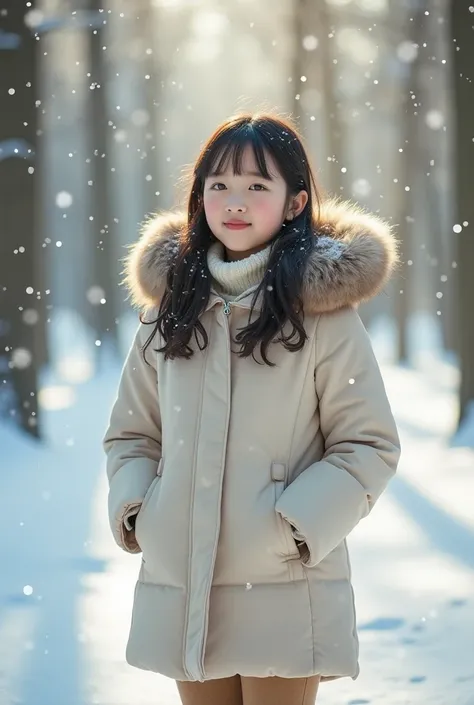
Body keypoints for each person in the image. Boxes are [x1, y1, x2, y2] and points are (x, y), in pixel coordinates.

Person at [103, 111, 401, 705]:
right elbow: (133, 434)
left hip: (284, 582)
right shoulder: (168, 312)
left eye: (256, 187)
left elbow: (368, 443)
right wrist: (142, 510)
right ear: (200, 196)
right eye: (219, 185)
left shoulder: (323, 316)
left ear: (294, 204)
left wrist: (294, 524)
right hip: (186, 582)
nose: (234, 202)